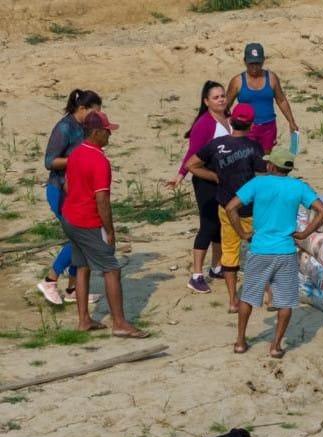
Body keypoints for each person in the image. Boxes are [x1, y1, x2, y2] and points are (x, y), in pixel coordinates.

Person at [225, 147, 323, 358]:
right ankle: (275, 346)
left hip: (260, 249)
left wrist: (243, 233)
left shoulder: (258, 183)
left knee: (248, 298)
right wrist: (305, 233)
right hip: (285, 251)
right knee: (285, 301)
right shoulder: (299, 186)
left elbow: (230, 208)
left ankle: (240, 341)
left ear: (271, 166)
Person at [61, 111, 148, 338]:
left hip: (70, 217)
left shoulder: (76, 153)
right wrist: (109, 230)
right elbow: (102, 200)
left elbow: (67, 185)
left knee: (82, 266)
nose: (110, 135)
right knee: (111, 268)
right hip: (88, 221)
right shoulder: (99, 161)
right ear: (97, 132)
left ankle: (84, 320)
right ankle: (119, 323)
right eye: (107, 131)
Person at [185, 103, 266, 312]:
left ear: (231, 121)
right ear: (251, 125)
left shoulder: (216, 145)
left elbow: (191, 165)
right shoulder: (254, 147)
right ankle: (269, 295)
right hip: (249, 206)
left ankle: (232, 300)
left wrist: (214, 176)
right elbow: (262, 174)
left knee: (230, 251)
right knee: (259, 249)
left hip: (225, 205)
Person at [37, 89, 104, 306]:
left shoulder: (86, 127)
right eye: (95, 112)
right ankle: (50, 280)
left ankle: (73, 289)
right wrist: (79, 159)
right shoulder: (64, 128)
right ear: (82, 109)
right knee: (79, 238)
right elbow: (50, 161)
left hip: (78, 191)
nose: (97, 117)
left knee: (82, 240)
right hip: (60, 191)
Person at [168, 80, 231, 294]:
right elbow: (192, 154)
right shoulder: (204, 124)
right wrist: (180, 175)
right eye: (216, 97)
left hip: (223, 179)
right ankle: (196, 275)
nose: (221, 99)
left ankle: (216, 266)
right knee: (208, 224)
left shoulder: (228, 118)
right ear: (206, 101)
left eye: (222, 95)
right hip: (205, 179)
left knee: (221, 223)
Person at [226, 43, 299, 154]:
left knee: (265, 160)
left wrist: (291, 121)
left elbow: (281, 100)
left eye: (258, 63)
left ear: (263, 60)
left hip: (268, 127)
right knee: (247, 157)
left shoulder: (271, 78)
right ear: (245, 61)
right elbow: (226, 106)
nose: (255, 67)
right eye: (251, 64)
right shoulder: (237, 81)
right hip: (246, 128)